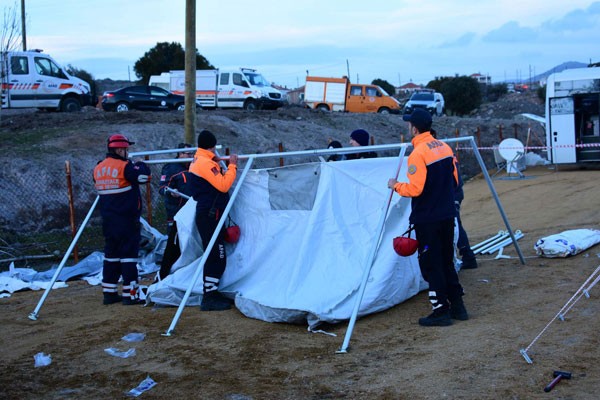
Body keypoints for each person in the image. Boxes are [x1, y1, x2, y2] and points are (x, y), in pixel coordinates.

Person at [387, 109, 468, 326]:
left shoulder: (418, 153)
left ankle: (440, 310)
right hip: (447, 215)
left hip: (428, 219)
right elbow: (454, 182)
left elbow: (415, 189)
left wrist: (395, 186)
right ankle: (458, 307)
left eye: (409, 125)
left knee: (431, 264)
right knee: (446, 260)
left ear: (414, 128)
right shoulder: (444, 147)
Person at [93, 134, 151, 305]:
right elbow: (144, 177)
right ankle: (131, 294)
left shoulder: (98, 168)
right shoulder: (124, 167)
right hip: (126, 219)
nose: (128, 153)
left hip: (108, 220)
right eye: (126, 149)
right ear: (119, 149)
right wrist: (140, 164)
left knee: (111, 255)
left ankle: (109, 293)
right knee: (128, 257)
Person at [188, 129, 239, 311]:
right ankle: (209, 296)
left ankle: (212, 291)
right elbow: (224, 186)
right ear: (212, 146)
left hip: (209, 213)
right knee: (216, 254)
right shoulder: (205, 163)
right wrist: (232, 166)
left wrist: (216, 162)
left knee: (214, 253)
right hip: (210, 214)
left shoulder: (199, 159)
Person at [429, 130, 477, 270]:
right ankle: (464, 255)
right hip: (452, 192)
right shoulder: (442, 150)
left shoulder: (440, 152)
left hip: (452, 193)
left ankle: (467, 256)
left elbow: (452, 176)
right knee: (454, 224)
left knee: (455, 224)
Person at [157, 143, 195, 280]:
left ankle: (187, 271)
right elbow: (162, 188)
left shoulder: (194, 167)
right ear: (179, 154)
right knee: (174, 244)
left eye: (191, 154)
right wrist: (171, 192)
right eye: (186, 154)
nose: (190, 156)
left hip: (192, 212)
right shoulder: (171, 168)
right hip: (176, 214)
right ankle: (167, 273)